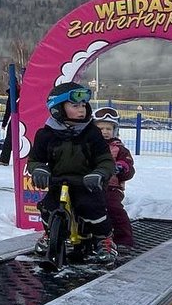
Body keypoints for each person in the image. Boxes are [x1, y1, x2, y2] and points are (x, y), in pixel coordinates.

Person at [27, 82, 118, 264]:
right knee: (47, 208)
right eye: (75, 105)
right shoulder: (45, 135)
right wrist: (38, 169)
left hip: (85, 182)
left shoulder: (92, 133)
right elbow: (34, 160)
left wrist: (99, 173)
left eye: (83, 105)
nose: (81, 110)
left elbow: (105, 160)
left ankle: (104, 239)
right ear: (58, 108)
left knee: (92, 208)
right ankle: (50, 233)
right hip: (58, 182)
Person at [93, 107, 135, 247]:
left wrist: (121, 167)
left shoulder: (119, 149)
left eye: (108, 129)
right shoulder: (89, 146)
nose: (105, 132)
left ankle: (124, 238)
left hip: (111, 187)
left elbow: (128, 166)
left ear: (115, 131)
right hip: (90, 185)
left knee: (113, 207)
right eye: (100, 129)